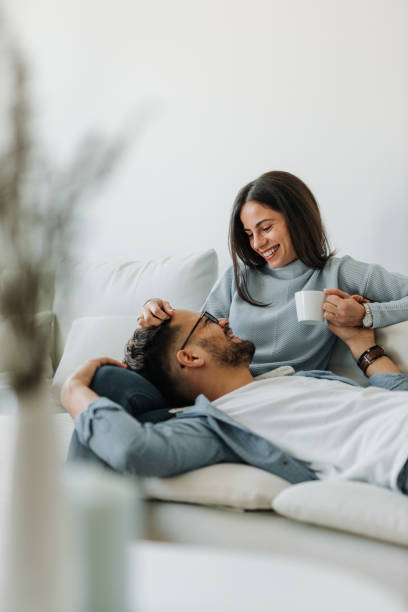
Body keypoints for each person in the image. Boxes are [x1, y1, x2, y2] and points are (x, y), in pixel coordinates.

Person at [64, 309, 408, 494]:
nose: (224, 320)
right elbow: (135, 450)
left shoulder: (298, 378)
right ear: (190, 357)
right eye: (209, 321)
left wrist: (362, 346)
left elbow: (394, 395)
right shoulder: (217, 425)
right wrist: (74, 390)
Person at [138, 171, 408, 376]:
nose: (256, 243)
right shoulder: (237, 278)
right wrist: (158, 318)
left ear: (297, 218)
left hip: (293, 393)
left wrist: (367, 316)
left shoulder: (339, 272)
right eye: (249, 234)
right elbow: (194, 339)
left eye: (265, 228)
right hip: (228, 391)